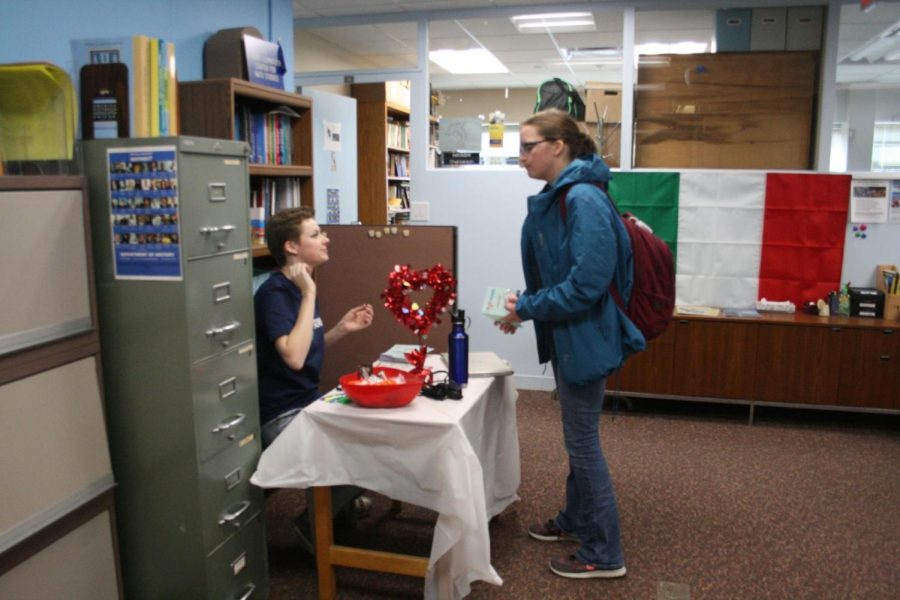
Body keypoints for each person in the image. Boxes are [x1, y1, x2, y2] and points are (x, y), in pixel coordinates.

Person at [496, 109, 645, 580]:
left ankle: (605, 554)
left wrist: (530, 306)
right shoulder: (565, 194)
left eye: (527, 146)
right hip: (573, 334)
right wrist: (529, 304)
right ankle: (578, 520)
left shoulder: (581, 197)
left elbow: (586, 284)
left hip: (586, 335)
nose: (520, 157)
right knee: (577, 439)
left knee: (583, 445)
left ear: (558, 145)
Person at [254, 206, 375, 551]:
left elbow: (303, 344)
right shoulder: (277, 294)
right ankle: (311, 526)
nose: (326, 238)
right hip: (281, 414)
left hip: (306, 402)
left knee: (375, 429)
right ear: (292, 247)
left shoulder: (299, 285)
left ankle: (338, 503)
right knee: (366, 450)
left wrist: (339, 330)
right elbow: (293, 357)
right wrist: (308, 294)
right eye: (316, 234)